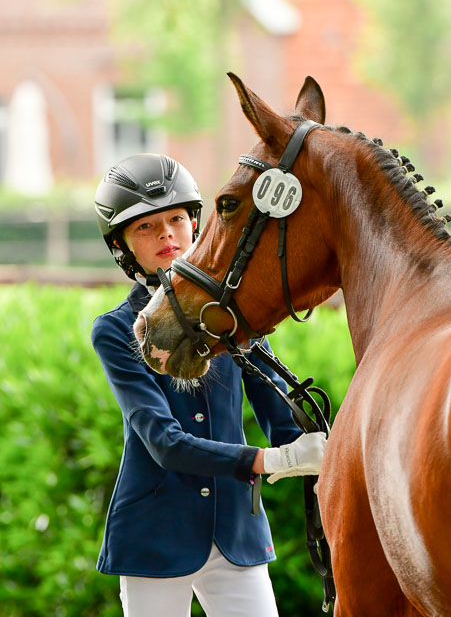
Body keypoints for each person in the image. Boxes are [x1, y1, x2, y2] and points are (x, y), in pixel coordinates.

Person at [92, 152, 326, 617]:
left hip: (237, 532)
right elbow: (164, 443)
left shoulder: (232, 317)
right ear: (121, 246)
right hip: (154, 537)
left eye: (176, 219)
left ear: (195, 224)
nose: (166, 234)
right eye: (146, 226)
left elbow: (283, 421)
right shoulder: (116, 330)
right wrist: (268, 460)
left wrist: (328, 450)